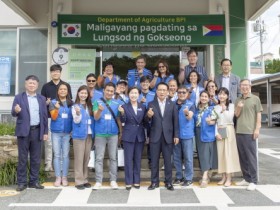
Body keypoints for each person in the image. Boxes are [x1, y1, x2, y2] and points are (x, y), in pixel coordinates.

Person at [11, 75, 48, 191]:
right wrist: (16, 110)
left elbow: (44, 116)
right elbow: (13, 112)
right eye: (29, 83)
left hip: (37, 131)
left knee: (36, 158)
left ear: (37, 85)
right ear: (25, 84)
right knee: (23, 158)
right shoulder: (19, 97)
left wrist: (45, 131)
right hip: (23, 131)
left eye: (34, 83)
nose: (31, 85)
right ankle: (21, 182)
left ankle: (34, 181)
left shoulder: (41, 99)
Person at [147, 82, 179, 191]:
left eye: (164, 90)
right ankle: (154, 182)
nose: (162, 92)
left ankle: (168, 182)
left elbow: (175, 121)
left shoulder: (172, 104)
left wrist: (176, 135)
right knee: (154, 161)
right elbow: (146, 122)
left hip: (168, 136)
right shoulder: (151, 104)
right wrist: (148, 116)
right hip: (155, 136)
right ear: (156, 91)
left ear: (167, 92)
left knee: (167, 161)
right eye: (159, 90)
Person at [41, 64, 72, 171]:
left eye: (57, 71)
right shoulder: (46, 86)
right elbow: (42, 102)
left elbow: (70, 101)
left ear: (60, 73)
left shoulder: (65, 85)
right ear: (51, 73)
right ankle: (48, 163)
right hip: (50, 117)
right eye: (53, 71)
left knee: (63, 145)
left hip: (64, 119)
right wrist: (47, 102)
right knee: (49, 142)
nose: (55, 73)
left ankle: (62, 166)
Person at [93, 82, 122, 190]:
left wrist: (121, 132)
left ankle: (113, 180)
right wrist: (99, 110)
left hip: (113, 134)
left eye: (111, 91)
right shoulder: (97, 101)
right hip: (100, 133)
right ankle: (98, 180)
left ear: (114, 92)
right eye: (108, 90)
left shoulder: (117, 103)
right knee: (99, 158)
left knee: (113, 158)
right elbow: (96, 118)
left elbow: (118, 119)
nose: (109, 92)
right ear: (103, 90)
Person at [234, 79, 262, 191]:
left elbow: (258, 115)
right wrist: (239, 107)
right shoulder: (238, 99)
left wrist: (257, 129)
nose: (244, 87)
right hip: (239, 131)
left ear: (250, 86)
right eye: (242, 85)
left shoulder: (255, 99)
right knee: (242, 157)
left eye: (246, 85)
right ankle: (246, 178)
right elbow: (236, 115)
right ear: (240, 87)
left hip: (250, 132)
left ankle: (254, 181)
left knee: (251, 157)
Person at [118, 87, 147, 190]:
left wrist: (149, 116)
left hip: (139, 136)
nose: (133, 95)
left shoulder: (143, 107)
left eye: (135, 93)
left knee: (138, 159)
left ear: (139, 95)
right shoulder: (124, 106)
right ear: (128, 94)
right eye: (131, 93)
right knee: (128, 159)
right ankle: (128, 181)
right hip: (128, 135)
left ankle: (136, 180)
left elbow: (145, 121)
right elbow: (123, 120)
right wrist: (122, 113)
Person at [214, 87, 241, 187]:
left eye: (224, 94)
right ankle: (223, 177)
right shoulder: (216, 107)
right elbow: (215, 121)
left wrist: (224, 111)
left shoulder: (231, 106)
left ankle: (229, 177)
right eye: (220, 94)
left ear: (227, 96)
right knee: (221, 154)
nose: (221, 96)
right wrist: (216, 133)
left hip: (229, 129)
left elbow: (230, 119)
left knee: (228, 154)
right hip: (220, 130)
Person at [49, 83, 73, 187]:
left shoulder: (71, 103)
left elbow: (73, 118)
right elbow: (53, 117)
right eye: (61, 89)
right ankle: (58, 177)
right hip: (56, 133)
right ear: (58, 91)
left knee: (66, 155)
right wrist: (57, 108)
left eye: (65, 89)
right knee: (57, 155)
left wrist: (72, 130)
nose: (63, 91)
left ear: (67, 91)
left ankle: (65, 177)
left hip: (67, 133)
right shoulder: (53, 102)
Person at [72, 85, 94, 190]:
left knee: (86, 158)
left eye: (85, 93)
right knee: (79, 159)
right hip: (79, 135)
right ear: (78, 94)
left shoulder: (90, 105)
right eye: (82, 93)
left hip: (89, 135)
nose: (83, 95)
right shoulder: (75, 106)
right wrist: (78, 113)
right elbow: (76, 120)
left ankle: (85, 179)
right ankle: (78, 181)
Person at [194, 91, 218, 188]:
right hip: (198, 133)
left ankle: (205, 176)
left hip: (207, 134)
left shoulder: (211, 109)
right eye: (202, 96)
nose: (203, 98)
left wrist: (211, 121)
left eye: (205, 96)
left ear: (208, 98)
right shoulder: (196, 109)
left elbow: (216, 120)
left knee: (205, 155)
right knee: (201, 155)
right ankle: (206, 174)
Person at [173, 86, 195, 187]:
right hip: (175, 135)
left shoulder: (190, 104)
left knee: (188, 157)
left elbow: (190, 116)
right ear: (177, 93)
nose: (181, 94)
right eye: (180, 92)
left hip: (187, 135)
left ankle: (188, 178)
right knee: (176, 157)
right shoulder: (172, 104)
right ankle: (179, 177)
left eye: (183, 92)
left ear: (187, 94)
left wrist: (187, 113)